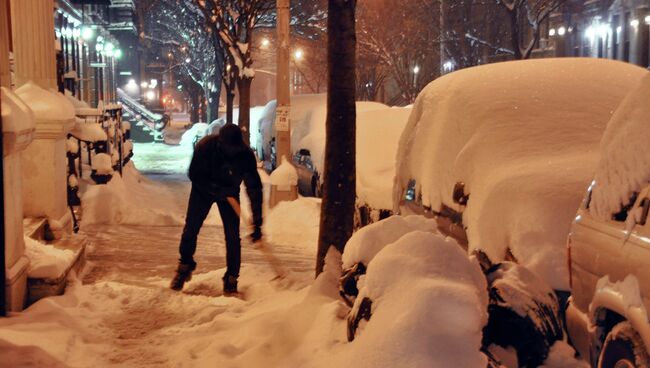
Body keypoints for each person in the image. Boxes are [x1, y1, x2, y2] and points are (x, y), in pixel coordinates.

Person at [171, 123, 263, 294]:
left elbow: (254, 189)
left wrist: (258, 222)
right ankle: (185, 266)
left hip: (229, 194)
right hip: (202, 191)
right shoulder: (205, 147)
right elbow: (194, 174)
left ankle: (232, 277)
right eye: (229, 149)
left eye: (234, 149)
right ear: (221, 143)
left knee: (233, 237)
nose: (231, 153)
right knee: (191, 229)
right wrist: (214, 189)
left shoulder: (245, 156)